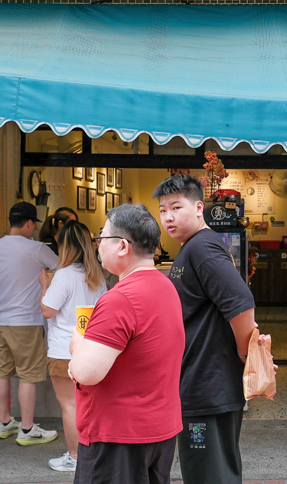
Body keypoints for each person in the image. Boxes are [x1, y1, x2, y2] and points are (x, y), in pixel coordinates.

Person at [154, 174, 260, 484]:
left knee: (209, 474)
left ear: (199, 207)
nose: (168, 217)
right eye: (162, 210)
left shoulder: (202, 247)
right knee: (209, 471)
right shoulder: (193, 247)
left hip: (207, 389)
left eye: (176, 207)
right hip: (201, 385)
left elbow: (241, 302)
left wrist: (244, 356)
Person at [68, 204, 184, 484]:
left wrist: (77, 344)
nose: (97, 246)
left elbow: (86, 372)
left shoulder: (120, 299)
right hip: (159, 429)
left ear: (122, 246)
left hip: (118, 435)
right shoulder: (165, 286)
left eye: (101, 238)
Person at [0, 201, 59, 446]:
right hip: (28, 323)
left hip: (1, 322)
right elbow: (61, 267)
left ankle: (4, 422)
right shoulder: (37, 249)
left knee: (2, 372)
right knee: (28, 376)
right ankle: (27, 428)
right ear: (30, 223)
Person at [40, 220, 108, 472]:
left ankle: (75, 456)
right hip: (92, 349)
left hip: (62, 351)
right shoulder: (97, 275)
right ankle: (92, 454)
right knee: (90, 405)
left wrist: (44, 286)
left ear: (63, 245)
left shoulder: (64, 275)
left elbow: (48, 310)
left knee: (70, 405)